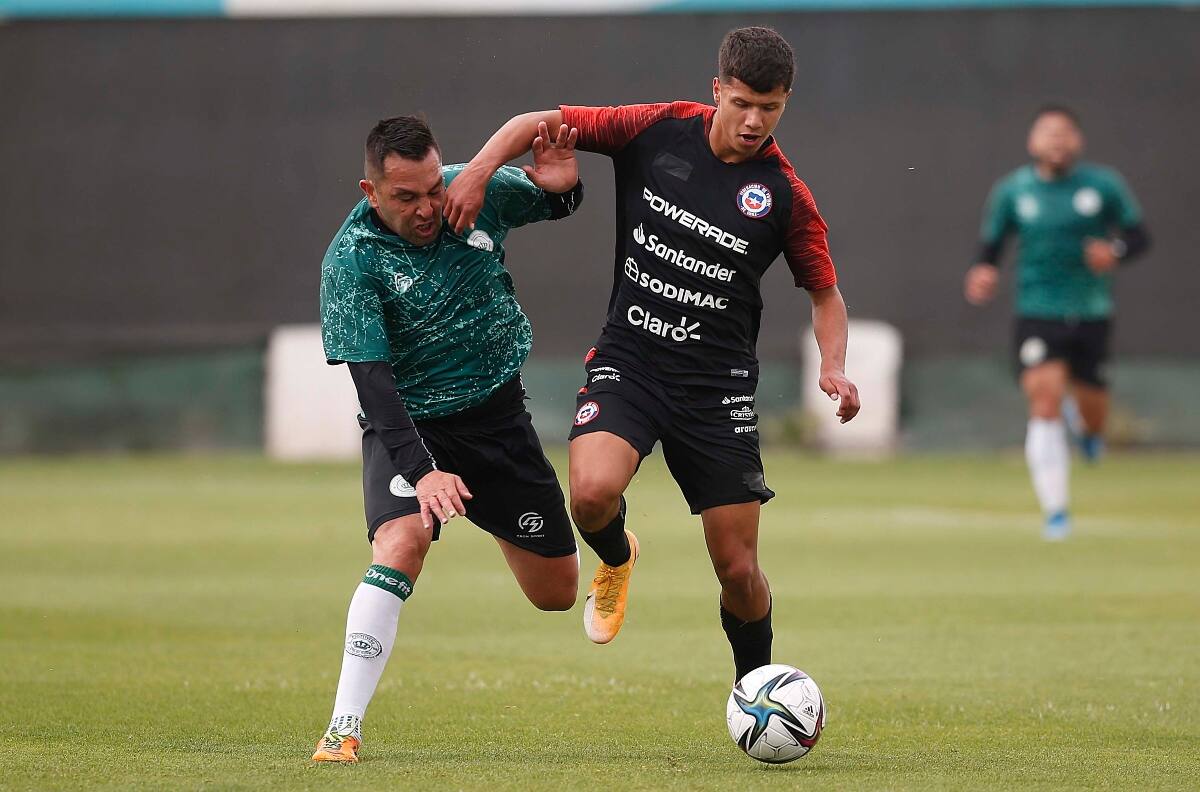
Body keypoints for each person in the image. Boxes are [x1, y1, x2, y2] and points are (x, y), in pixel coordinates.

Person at [444, 27, 860, 682]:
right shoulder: (658, 129)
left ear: (785, 103)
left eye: (770, 107)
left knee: (738, 569)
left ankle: (754, 688)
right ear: (717, 89)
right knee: (590, 497)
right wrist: (476, 173)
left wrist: (833, 366)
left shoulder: (784, 195)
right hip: (631, 362)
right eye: (742, 102)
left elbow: (825, 294)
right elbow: (534, 122)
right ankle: (617, 556)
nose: (754, 121)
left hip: (715, 390)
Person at [312, 115, 585, 762]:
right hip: (410, 427)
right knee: (402, 542)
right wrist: (424, 471)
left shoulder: (472, 192)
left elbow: (556, 198)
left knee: (557, 595)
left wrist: (565, 189)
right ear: (371, 191)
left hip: (498, 421)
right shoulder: (352, 260)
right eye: (405, 196)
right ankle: (342, 729)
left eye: (433, 188)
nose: (427, 207)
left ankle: (501, 513)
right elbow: (374, 385)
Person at [964, 105, 1150, 541]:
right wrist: (982, 272)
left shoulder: (1103, 185)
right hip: (1037, 311)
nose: (1057, 140)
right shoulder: (1014, 190)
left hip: (1091, 312)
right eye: (1048, 132)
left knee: (1094, 414)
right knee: (1043, 399)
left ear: (1078, 141)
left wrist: (1115, 251)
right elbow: (991, 245)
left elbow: (1139, 236)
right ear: (1032, 141)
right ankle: (1056, 512)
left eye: (1065, 132)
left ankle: (1086, 429)